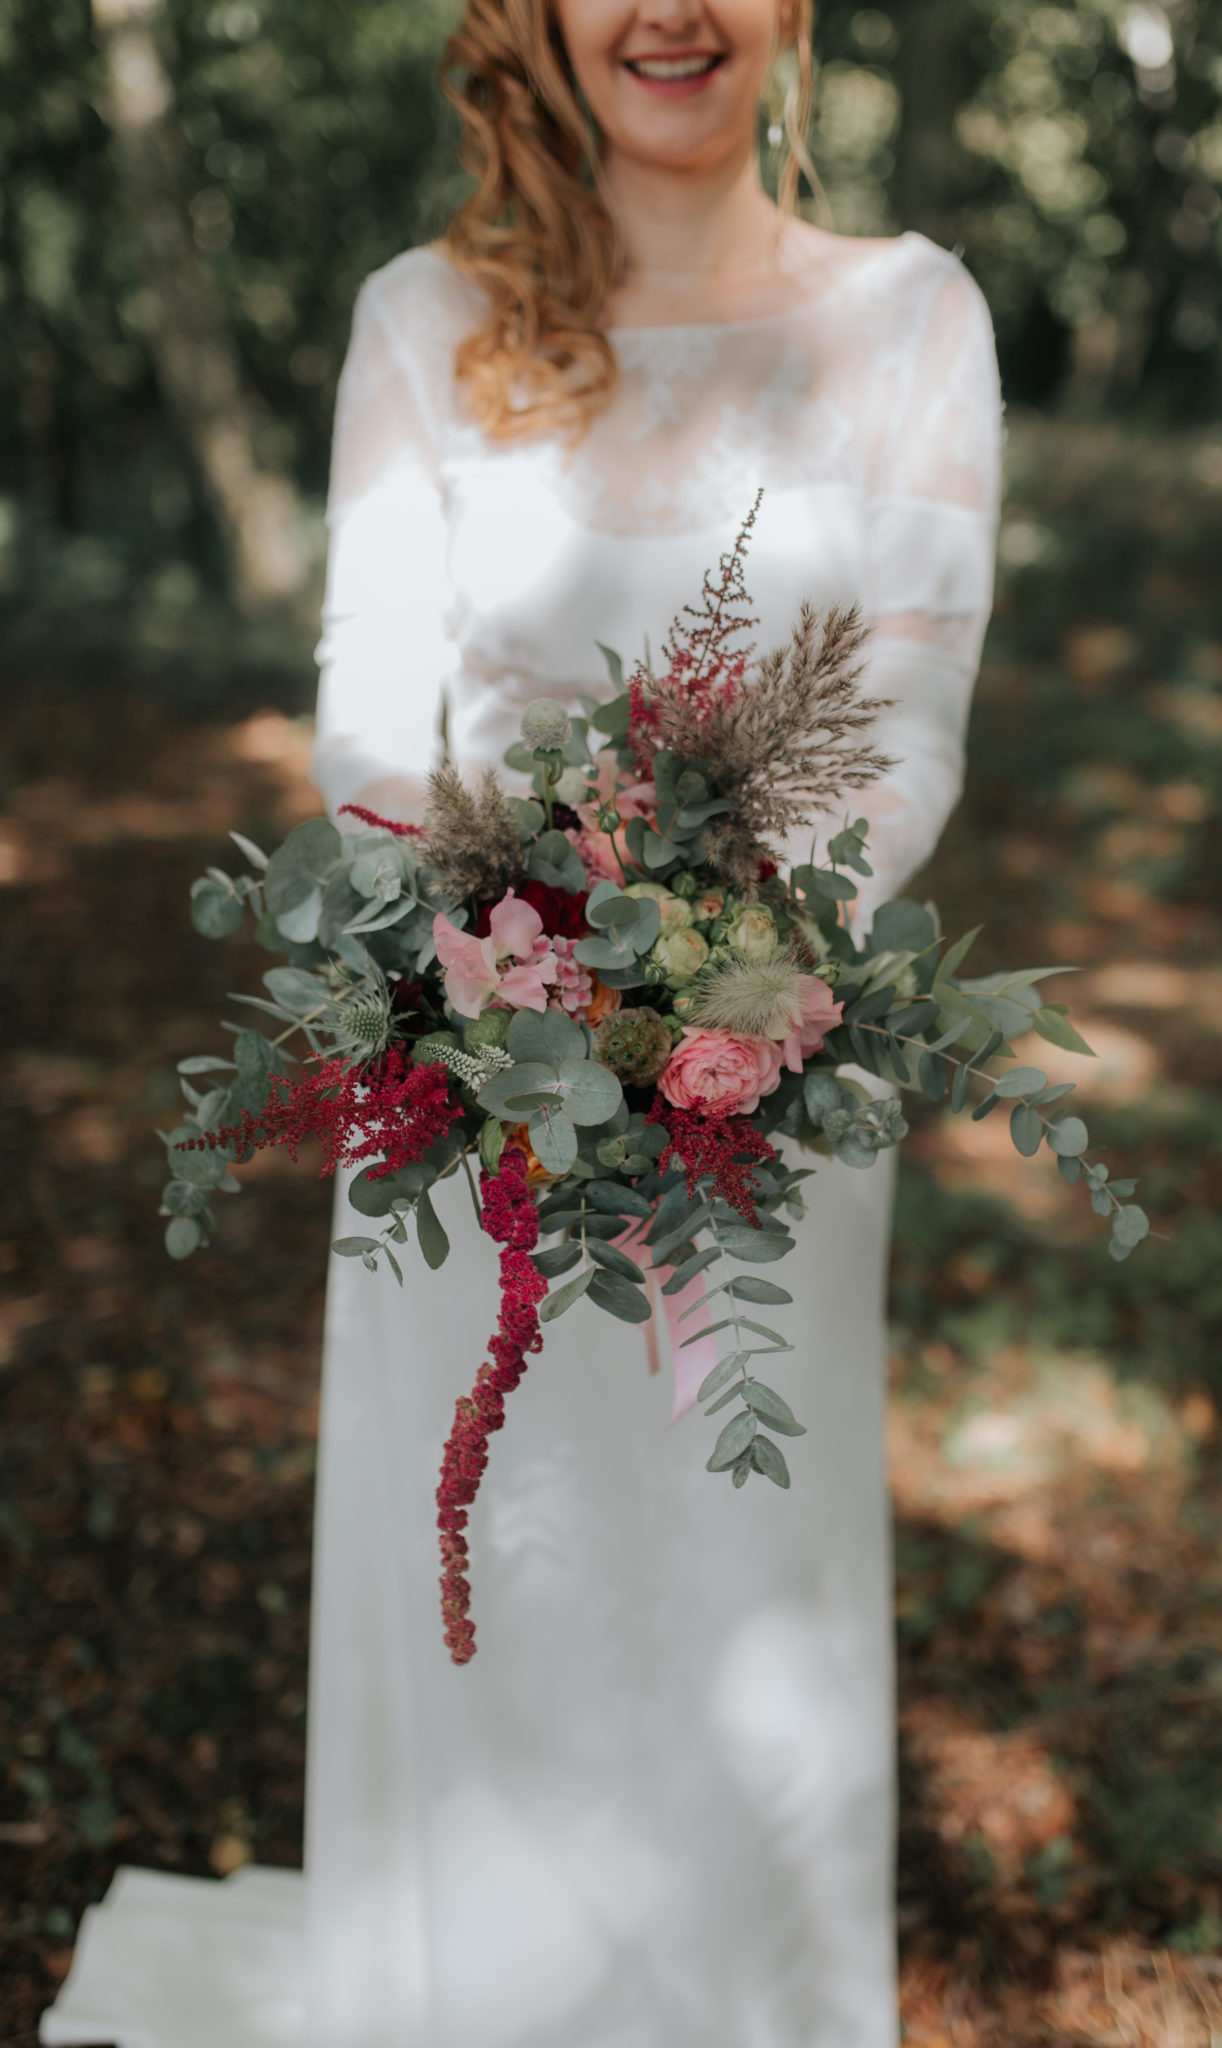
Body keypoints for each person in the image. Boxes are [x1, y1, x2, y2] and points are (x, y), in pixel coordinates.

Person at [42, 0, 1000, 2041]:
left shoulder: (914, 320)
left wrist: (710, 975)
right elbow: (377, 720)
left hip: (771, 1067)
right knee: (483, 1576)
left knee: (744, 1591)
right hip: (469, 1066)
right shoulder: (423, 318)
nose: (667, 11)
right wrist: (524, 945)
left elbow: (897, 736)